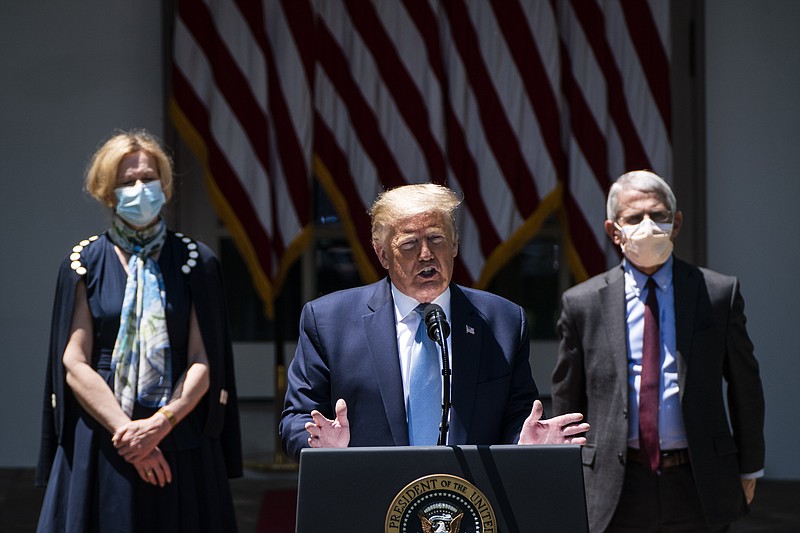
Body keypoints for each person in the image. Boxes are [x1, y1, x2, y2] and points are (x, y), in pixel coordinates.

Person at [279, 183, 589, 461]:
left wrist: (523, 442)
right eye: (410, 244)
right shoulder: (329, 320)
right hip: (369, 500)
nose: (426, 254)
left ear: (454, 246)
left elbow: (515, 415)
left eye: (437, 239)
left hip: (469, 503)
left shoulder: (502, 321)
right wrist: (319, 444)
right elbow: (297, 418)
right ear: (383, 255)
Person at [35, 130, 242, 532]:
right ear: (107, 192)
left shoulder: (197, 261)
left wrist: (159, 425)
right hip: (103, 436)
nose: (139, 188)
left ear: (163, 184)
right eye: (127, 182)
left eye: (148, 178)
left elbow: (204, 358)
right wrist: (129, 435)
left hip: (179, 433)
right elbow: (74, 362)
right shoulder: (82, 263)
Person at [551, 170, 765, 532]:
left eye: (660, 215)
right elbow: (567, 400)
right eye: (635, 218)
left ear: (676, 223)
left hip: (697, 481)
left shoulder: (716, 293)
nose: (649, 226)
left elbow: (745, 386)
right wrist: (562, 473)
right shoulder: (582, 303)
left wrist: (750, 467)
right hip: (613, 485)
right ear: (613, 231)